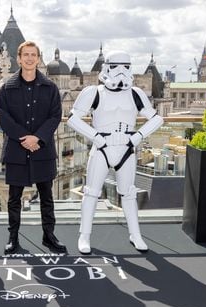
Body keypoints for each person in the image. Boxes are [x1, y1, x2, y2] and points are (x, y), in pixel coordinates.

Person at [67, 50, 163, 254]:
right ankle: (84, 236)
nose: (121, 71)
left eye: (126, 67)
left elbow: (156, 118)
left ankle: (135, 235)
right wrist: (96, 137)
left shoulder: (136, 94)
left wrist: (137, 137)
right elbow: (73, 118)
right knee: (91, 193)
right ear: (107, 68)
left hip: (126, 148)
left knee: (128, 194)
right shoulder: (93, 92)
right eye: (116, 66)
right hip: (102, 147)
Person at [0, 41, 67, 254]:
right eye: (25, 55)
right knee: (14, 199)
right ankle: (13, 238)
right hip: (17, 151)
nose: (29, 58)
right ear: (18, 59)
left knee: (47, 197)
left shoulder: (51, 88)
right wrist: (24, 138)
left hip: (42, 149)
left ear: (38, 58)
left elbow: (55, 116)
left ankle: (49, 237)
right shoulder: (6, 88)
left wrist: (37, 138)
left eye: (33, 55)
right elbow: (4, 119)